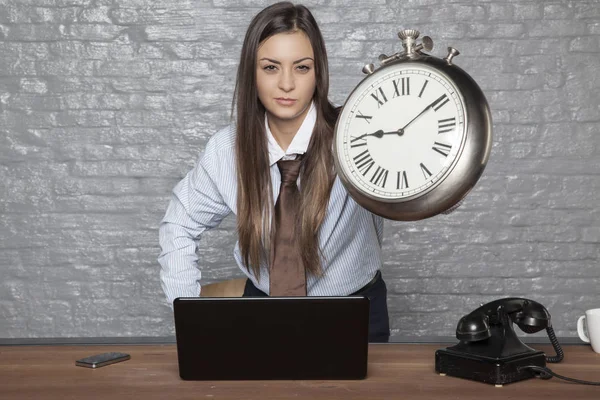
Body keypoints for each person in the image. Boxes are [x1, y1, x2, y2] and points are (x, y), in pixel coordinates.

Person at [158, 2, 390, 342]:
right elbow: (178, 225)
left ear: (318, 72)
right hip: (260, 312)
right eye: (270, 67)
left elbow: (418, 186)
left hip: (355, 311)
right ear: (251, 73)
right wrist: (188, 315)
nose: (286, 84)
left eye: (301, 67)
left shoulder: (359, 136)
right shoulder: (226, 150)